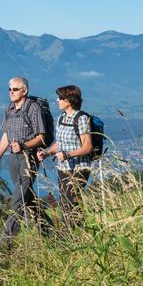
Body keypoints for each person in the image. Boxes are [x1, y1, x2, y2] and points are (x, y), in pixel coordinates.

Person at [0, 76, 48, 245]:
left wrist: (23, 145)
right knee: (27, 198)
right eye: (10, 89)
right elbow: (6, 136)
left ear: (24, 91)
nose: (11, 92)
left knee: (18, 200)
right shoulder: (9, 109)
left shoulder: (33, 108)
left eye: (15, 89)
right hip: (13, 158)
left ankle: (5, 244)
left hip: (29, 157)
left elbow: (41, 138)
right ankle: (48, 230)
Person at [37, 84, 93, 228]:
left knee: (69, 202)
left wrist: (68, 155)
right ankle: (80, 231)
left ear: (69, 100)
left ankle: (67, 234)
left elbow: (88, 147)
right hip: (63, 168)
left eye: (60, 98)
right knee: (68, 202)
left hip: (79, 168)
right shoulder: (62, 117)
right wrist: (47, 153)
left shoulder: (81, 118)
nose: (57, 100)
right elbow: (59, 143)